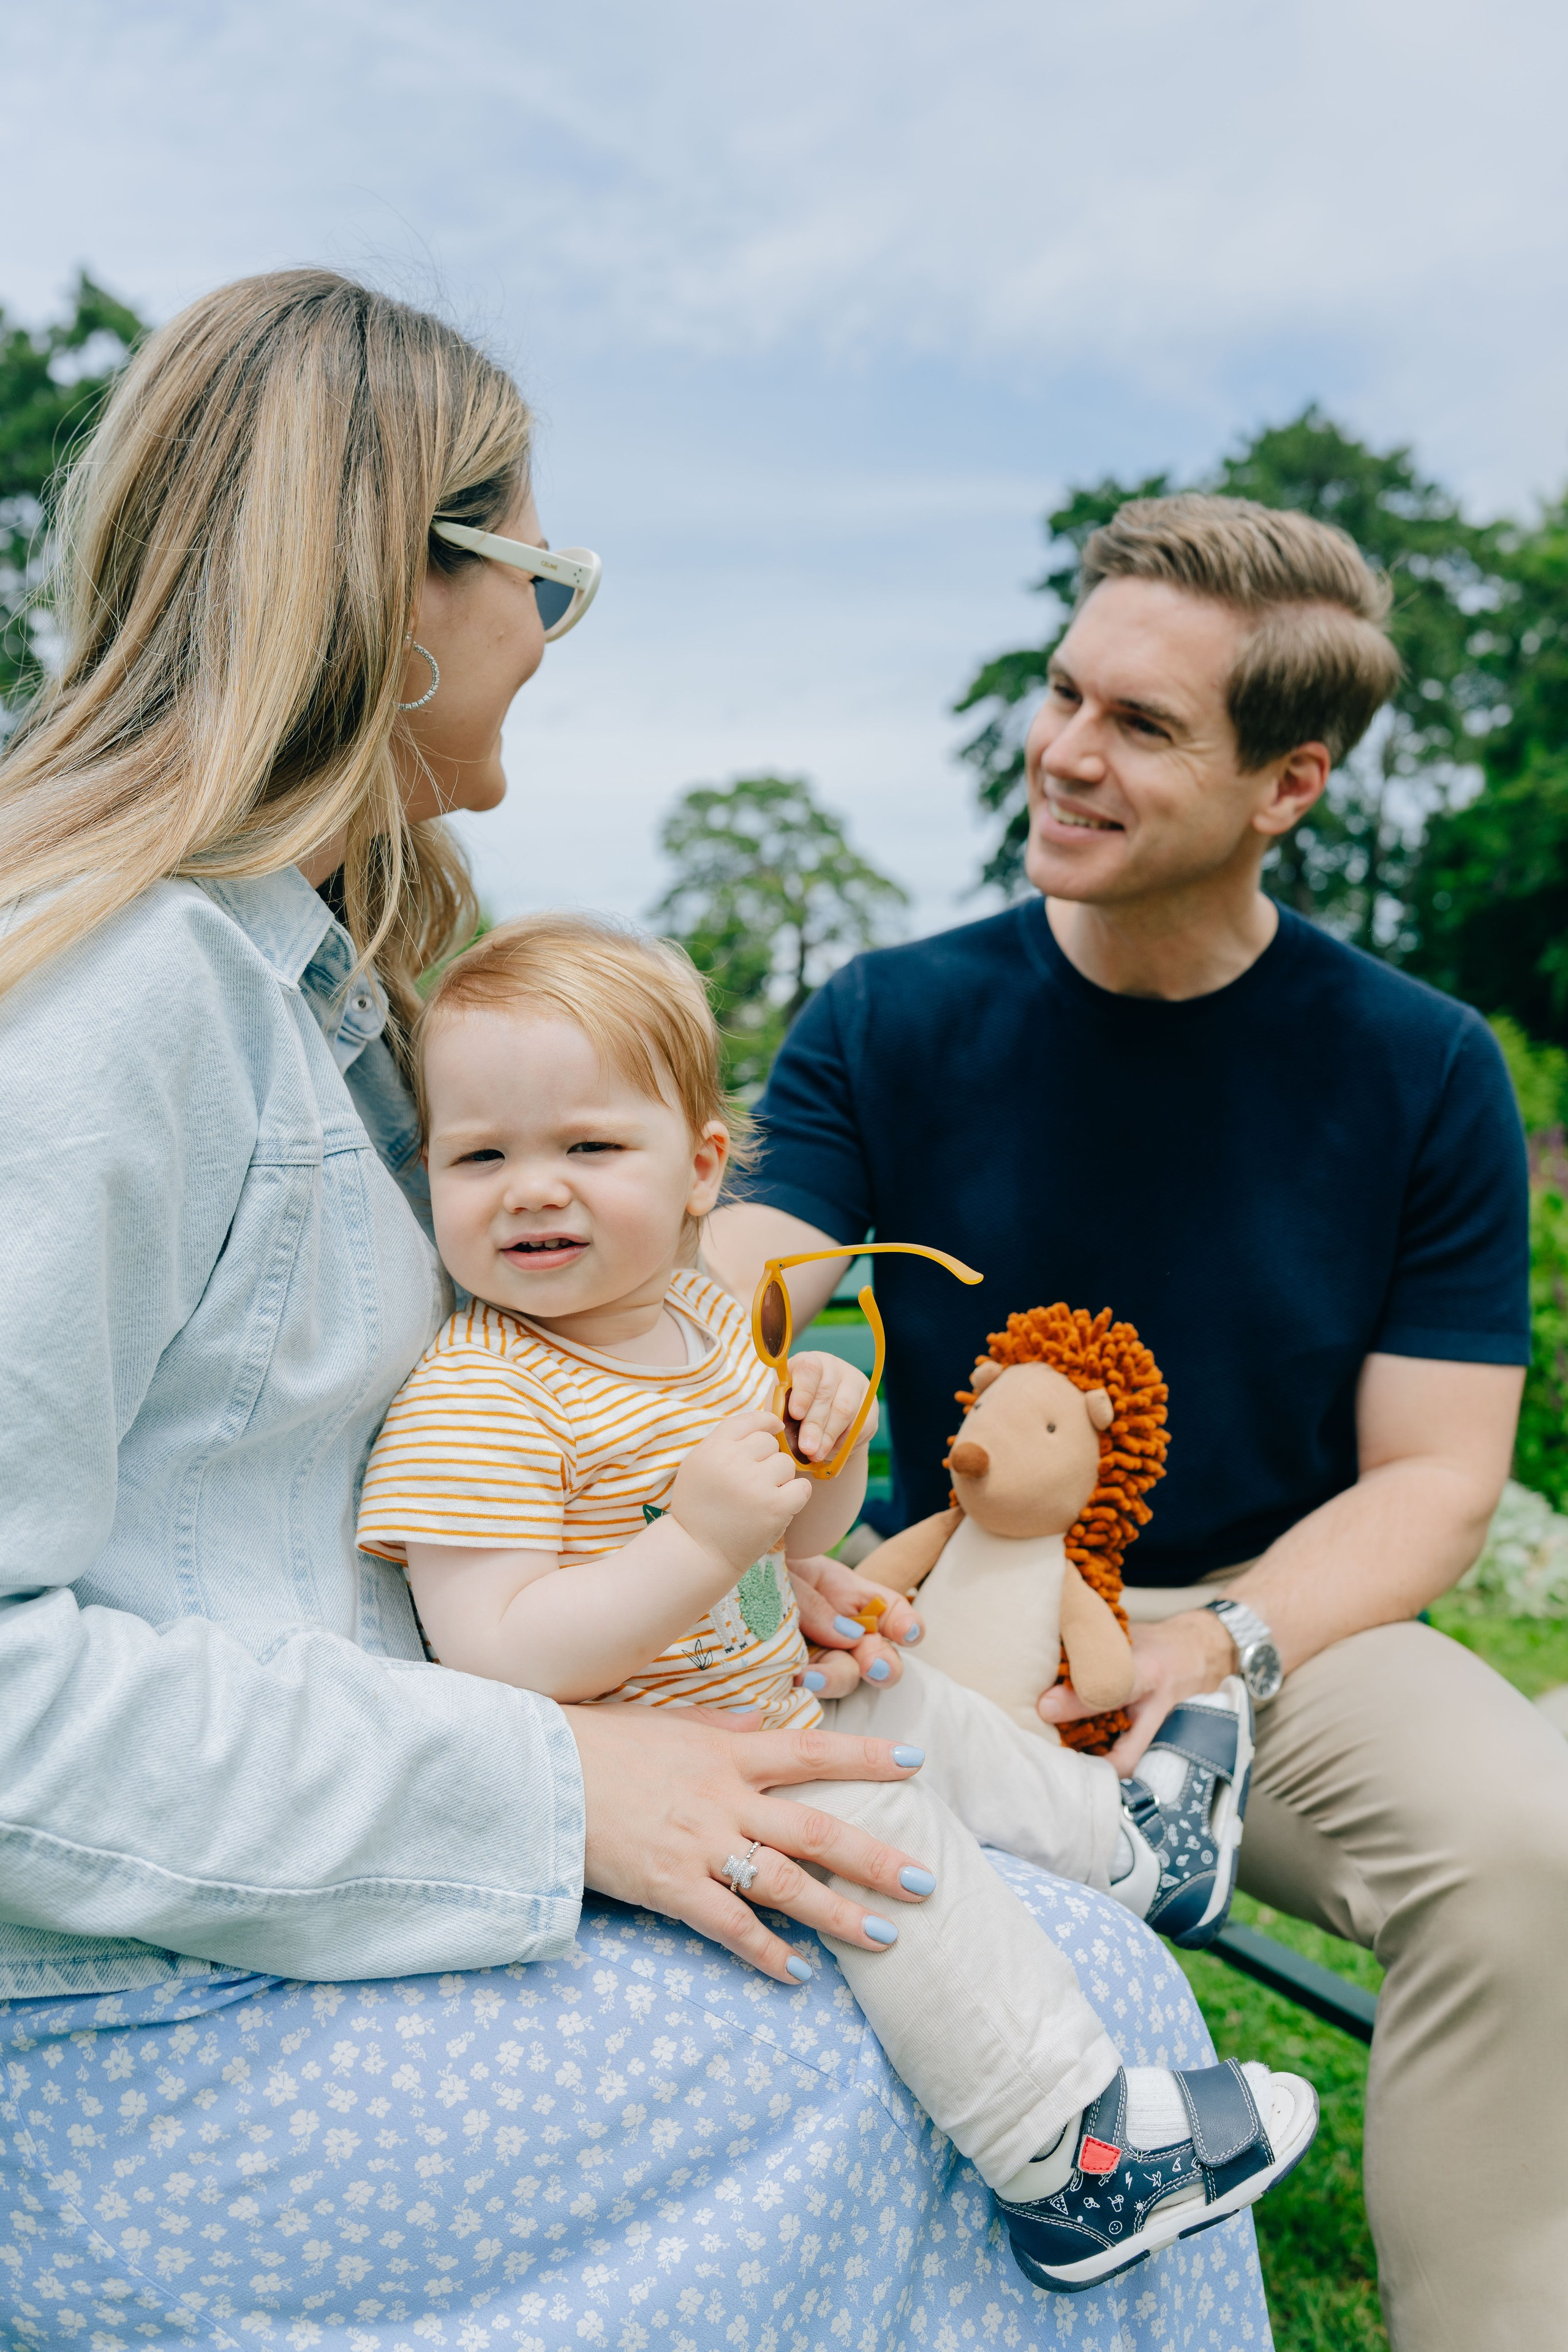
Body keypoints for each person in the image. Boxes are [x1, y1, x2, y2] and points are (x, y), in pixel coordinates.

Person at [0, 275, 1272, 2351]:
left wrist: (739, 1590)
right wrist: (563, 1791)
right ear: (401, 591)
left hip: (291, 1906)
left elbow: (334, 1526)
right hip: (142, 2033)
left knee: (1008, 1941)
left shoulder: (303, 998)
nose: (552, 641)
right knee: (1043, 2035)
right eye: (546, 583)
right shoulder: (113, 1010)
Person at [706, 492, 1568, 2351]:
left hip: (1268, 1630)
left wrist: (1210, 1648)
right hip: (931, 1596)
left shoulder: (1422, 1069)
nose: (1066, 754)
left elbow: (1435, 1474)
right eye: (1065, 690)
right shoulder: (886, 1019)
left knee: (1523, 1849)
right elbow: (761, 1289)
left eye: (1144, 726)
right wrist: (785, 1367)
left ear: (1291, 786)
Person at [353, 910, 1317, 2294]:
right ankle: (1068, 2155)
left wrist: (830, 1442)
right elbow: (495, 1656)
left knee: (903, 1692)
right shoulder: (480, 1395)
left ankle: (1127, 1843)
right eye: (480, 1155)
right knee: (876, 1828)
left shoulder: (693, 1324)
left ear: (697, 1172)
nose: (530, 1190)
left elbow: (795, 1535)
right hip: (663, 1783)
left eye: (587, 1148)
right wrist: (693, 1543)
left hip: (757, 1687)